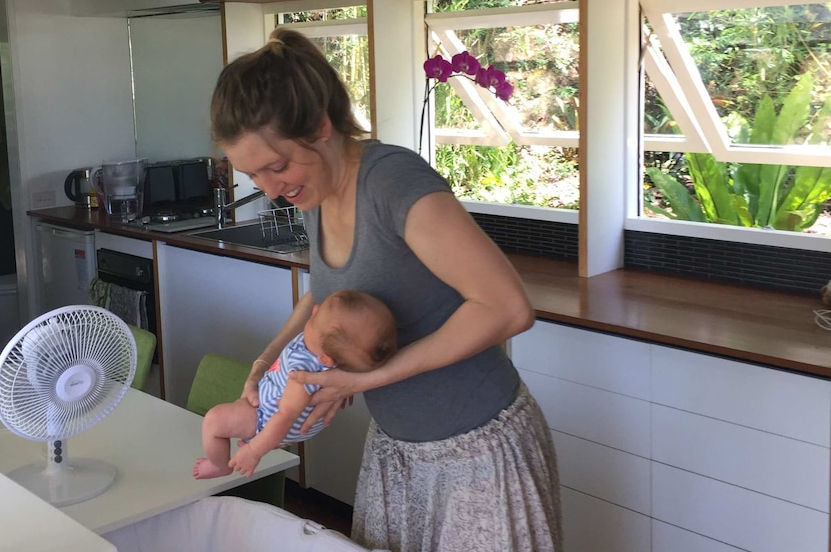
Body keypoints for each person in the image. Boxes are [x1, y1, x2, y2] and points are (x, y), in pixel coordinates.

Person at [209, 28, 563, 552]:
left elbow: (508, 308)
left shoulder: (392, 182)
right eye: (254, 175)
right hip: (397, 449)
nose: (271, 189)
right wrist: (271, 356)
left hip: (477, 448)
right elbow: (326, 293)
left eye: (278, 166)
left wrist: (363, 379)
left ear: (321, 127)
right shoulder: (316, 193)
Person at [192, 289, 397, 480]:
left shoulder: (303, 372)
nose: (314, 310)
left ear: (326, 359)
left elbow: (285, 416)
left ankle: (220, 465)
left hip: (266, 416)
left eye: (315, 318)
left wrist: (255, 450)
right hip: (268, 404)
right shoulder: (321, 350)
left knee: (214, 421)